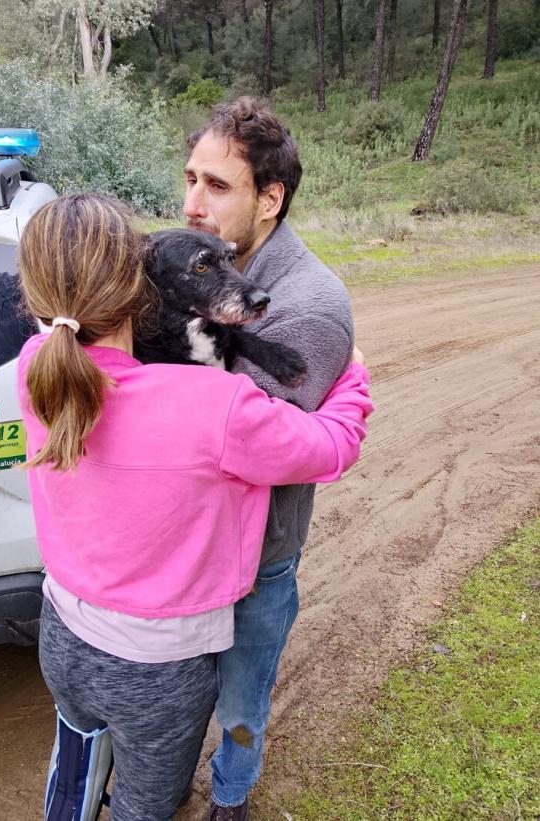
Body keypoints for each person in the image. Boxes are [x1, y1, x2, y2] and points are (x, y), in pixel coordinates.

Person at [18, 193, 372, 821]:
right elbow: (332, 447)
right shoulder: (214, 405)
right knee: (144, 806)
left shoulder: (37, 368)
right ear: (141, 286)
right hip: (156, 669)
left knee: (75, 766)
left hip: (61, 634)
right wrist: (351, 376)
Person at [183, 97, 356, 819]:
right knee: (178, 690)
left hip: (255, 560)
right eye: (190, 177)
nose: (192, 202)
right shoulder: (195, 264)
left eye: (217, 186)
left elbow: (238, 442)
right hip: (185, 549)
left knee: (243, 698)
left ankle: (231, 795)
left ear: (270, 199)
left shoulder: (309, 303)